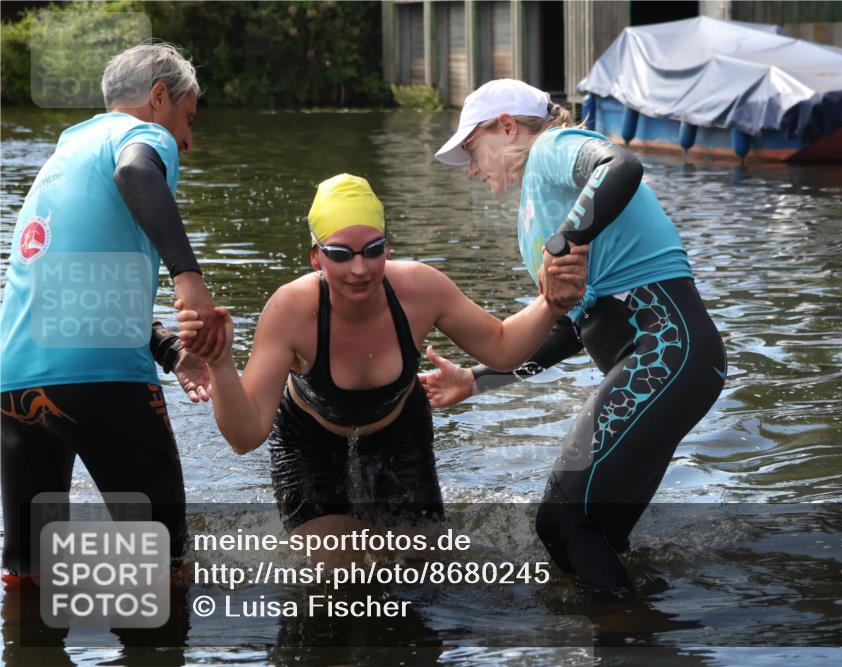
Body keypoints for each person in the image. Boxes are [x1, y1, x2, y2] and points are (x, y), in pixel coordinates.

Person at [176, 174, 588, 565]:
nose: (360, 268)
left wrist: (551, 303)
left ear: (388, 248)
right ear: (316, 257)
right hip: (310, 444)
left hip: (399, 434)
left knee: (423, 568)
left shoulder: (421, 289)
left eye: (373, 250)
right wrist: (221, 363)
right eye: (341, 254)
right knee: (339, 576)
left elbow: (501, 348)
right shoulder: (290, 310)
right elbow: (245, 436)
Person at [424, 79, 727, 595]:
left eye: (473, 150)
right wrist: (475, 381)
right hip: (677, 363)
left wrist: (568, 239)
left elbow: (621, 166)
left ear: (507, 126)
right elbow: (569, 330)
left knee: (561, 522)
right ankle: (642, 632)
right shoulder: (535, 215)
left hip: (666, 351)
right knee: (598, 535)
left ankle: (621, 633)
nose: (473, 170)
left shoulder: (551, 148)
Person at [0, 42, 223, 578]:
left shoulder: (64, 156)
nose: (186, 142)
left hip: (15, 382)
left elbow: (80, 288)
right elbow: (136, 173)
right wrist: (189, 279)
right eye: (187, 121)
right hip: (102, 381)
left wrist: (171, 351)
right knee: (162, 563)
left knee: (26, 567)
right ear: (159, 97)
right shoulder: (141, 136)